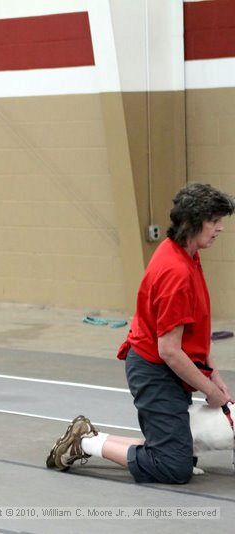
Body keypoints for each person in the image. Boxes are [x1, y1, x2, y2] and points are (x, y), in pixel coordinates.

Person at [47, 183, 234, 484]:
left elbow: (192, 330)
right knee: (174, 467)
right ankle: (83, 444)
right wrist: (209, 391)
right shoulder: (177, 273)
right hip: (155, 371)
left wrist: (212, 375)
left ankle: (103, 439)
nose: (220, 228)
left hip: (164, 369)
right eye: (214, 221)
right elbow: (169, 350)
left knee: (175, 452)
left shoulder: (186, 254)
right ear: (195, 222)